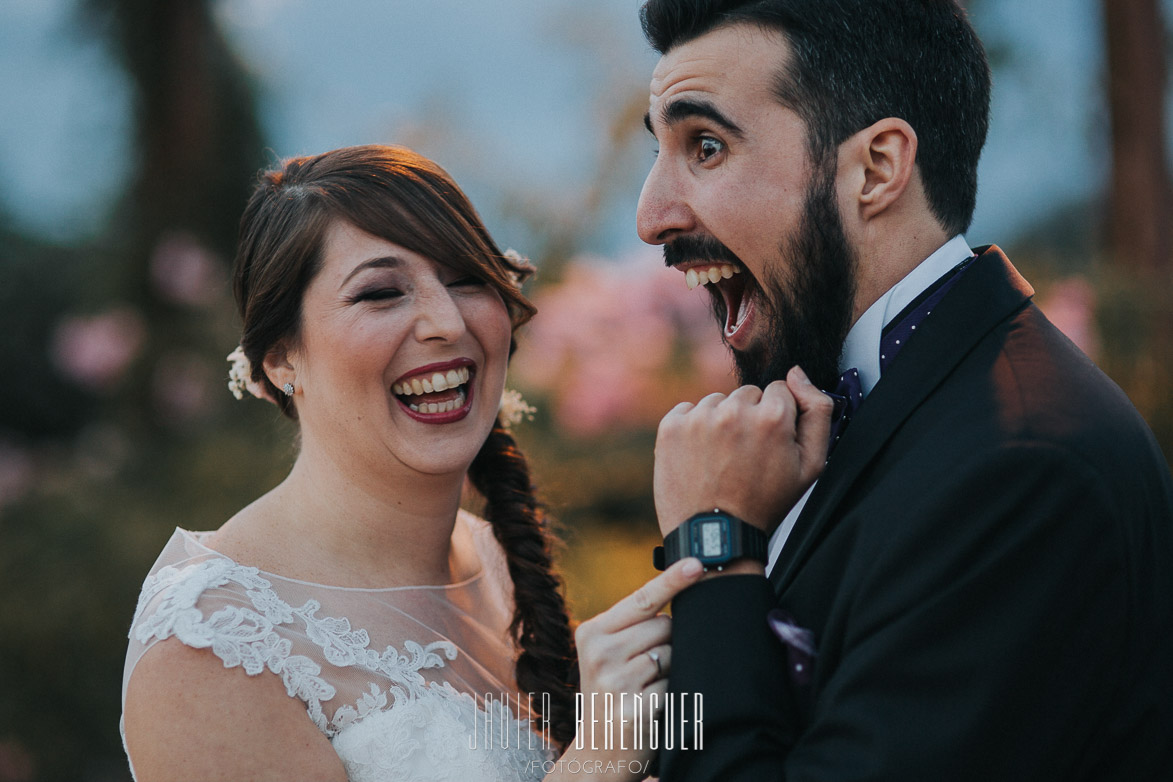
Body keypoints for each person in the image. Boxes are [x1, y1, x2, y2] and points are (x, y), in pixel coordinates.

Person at [635, 1, 1173, 780]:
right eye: (660, 152)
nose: (651, 216)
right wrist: (606, 713)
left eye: (706, 146)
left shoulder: (1022, 468)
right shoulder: (869, 404)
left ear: (877, 168)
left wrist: (712, 552)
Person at [121, 144, 703, 782]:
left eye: (465, 279)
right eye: (380, 292)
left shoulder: (494, 561)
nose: (447, 322)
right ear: (281, 358)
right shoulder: (214, 643)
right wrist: (596, 762)